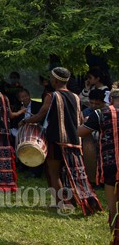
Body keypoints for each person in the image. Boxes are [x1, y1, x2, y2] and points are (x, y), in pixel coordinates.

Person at [22, 67, 102, 215]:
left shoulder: (51, 96)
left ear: (56, 80)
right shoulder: (76, 97)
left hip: (56, 141)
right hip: (74, 140)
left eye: (52, 79)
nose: (51, 81)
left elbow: (40, 116)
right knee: (74, 173)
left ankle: (60, 204)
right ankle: (80, 201)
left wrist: (25, 121)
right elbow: (79, 119)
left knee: (54, 173)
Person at [78, 88, 119, 241]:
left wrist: (81, 121)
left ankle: (115, 237)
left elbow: (81, 132)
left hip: (111, 164)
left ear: (110, 100)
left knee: (113, 208)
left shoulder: (100, 113)